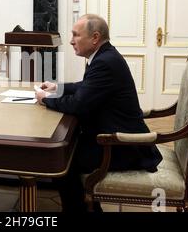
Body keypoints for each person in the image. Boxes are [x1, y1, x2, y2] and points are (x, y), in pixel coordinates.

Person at [35, 14, 163, 212]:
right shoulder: (105, 56)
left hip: (123, 145)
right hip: (112, 136)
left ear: (95, 38)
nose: (70, 41)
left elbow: (78, 105)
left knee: (61, 160)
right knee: (68, 146)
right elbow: (86, 87)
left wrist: (45, 98)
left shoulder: (104, 62)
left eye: (76, 35)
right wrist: (57, 88)